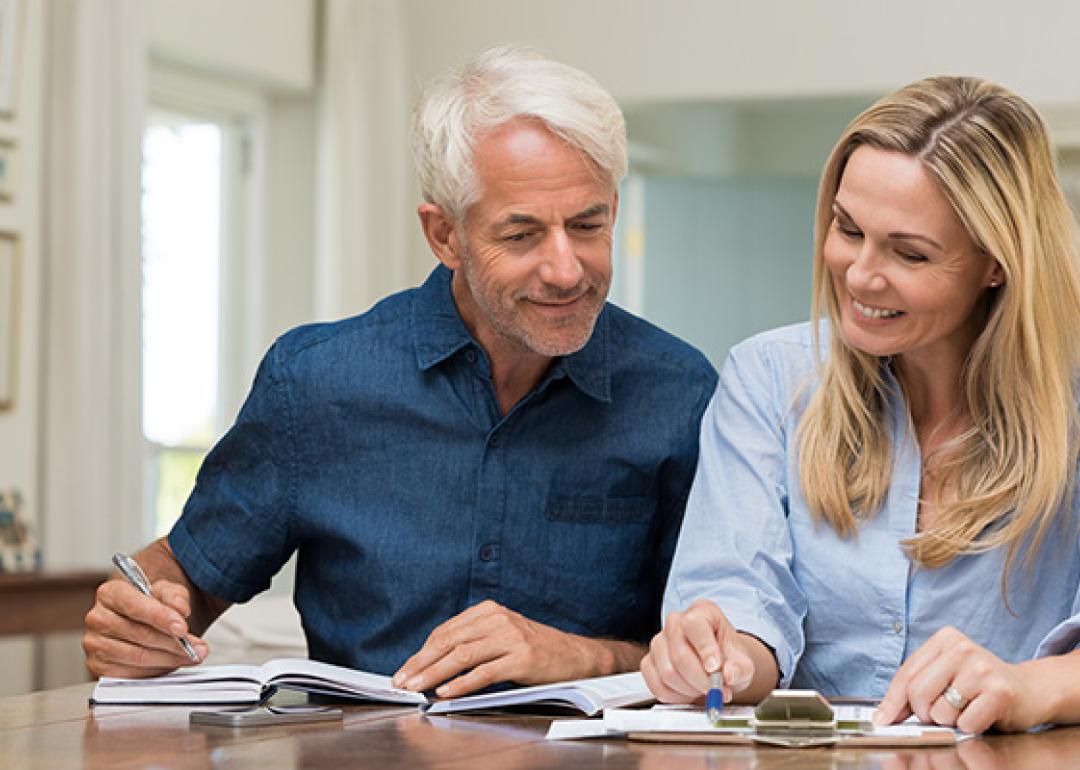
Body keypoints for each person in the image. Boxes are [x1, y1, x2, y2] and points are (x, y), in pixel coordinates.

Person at [82, 45, 717, 698]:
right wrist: (138, 624)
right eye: (521, 235)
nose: (565, 269)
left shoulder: (679, 394)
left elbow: (714, 657)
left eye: (588, 225)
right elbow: (187, 580)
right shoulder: (314, 383)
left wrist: (573, 657)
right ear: (444, 235)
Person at [642, 76, 1080, 734]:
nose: (859, 275)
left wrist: (1030, 686)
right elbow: (741, 599)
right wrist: (721, 655)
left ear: (997, 263)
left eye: (909, 252)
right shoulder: (768, 378)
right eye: (848, 229)